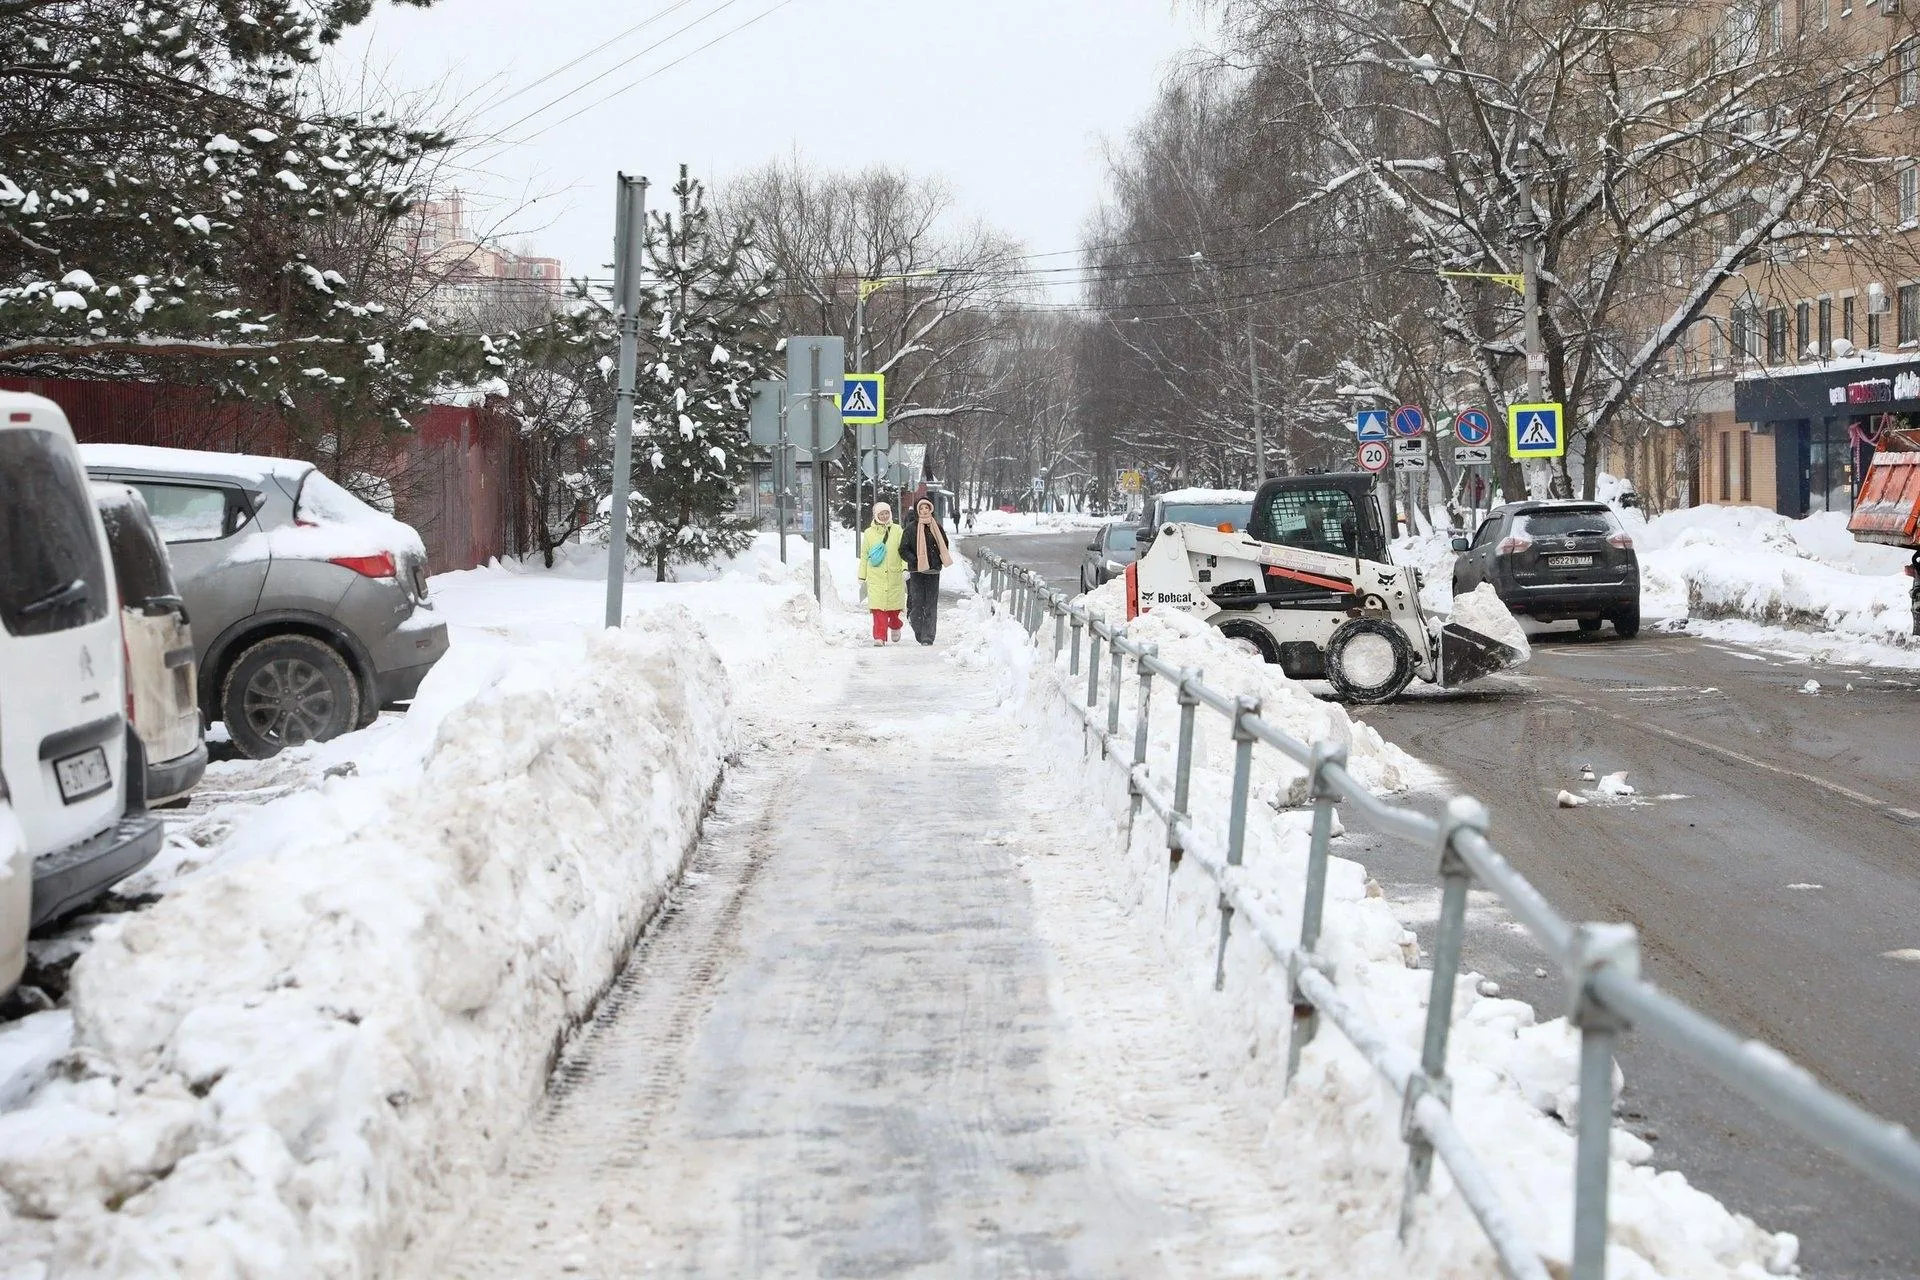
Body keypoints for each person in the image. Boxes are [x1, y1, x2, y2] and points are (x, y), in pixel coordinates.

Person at [899, 497, 953, 644]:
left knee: (930, 604)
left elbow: (944, 545)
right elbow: (903, 549)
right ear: (917, 510)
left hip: (933, 571)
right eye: (921, 508)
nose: (924, 511)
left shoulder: (937, 527)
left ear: (931, 509)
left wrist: (937, 560)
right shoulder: (911, 528)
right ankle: (918, 629)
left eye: (926, 508)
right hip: (916, 572)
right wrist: (915, 560)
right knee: (917, 603)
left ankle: (928, 637)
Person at [857, 502, 906, 646]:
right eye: (881, 514)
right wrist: (862, 575)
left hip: (894, 575)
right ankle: (879, 637)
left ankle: (896, 625)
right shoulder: (869, 533)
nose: (884, 516)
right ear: (876, 516)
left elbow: (903, 551)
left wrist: (905, 568)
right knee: (878, 609)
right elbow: (865, 554)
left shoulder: (897, 530)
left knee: (893, 609)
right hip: (875, 576)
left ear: (890, 514)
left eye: (886, 513)